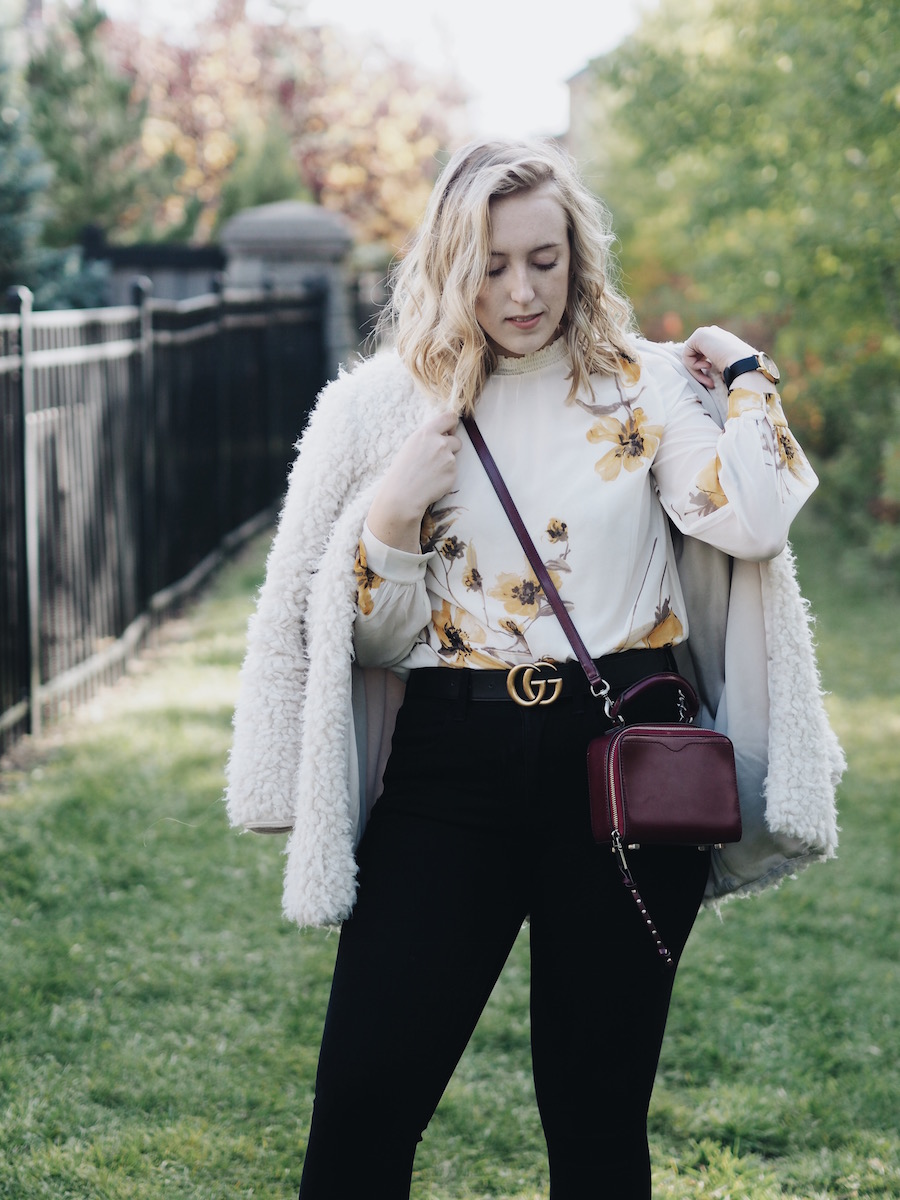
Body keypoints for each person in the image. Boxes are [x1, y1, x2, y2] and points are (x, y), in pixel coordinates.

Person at [225, 139, 843, 1199]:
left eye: (545, 260)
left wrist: (743, 373)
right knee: (366, 1102)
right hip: (449, 766)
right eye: (494, 263)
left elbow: (752, 515)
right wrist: (391, 515)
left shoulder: (643, 387)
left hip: (619, 769)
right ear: (450, 263)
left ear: (578, 256)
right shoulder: (386, 408)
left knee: (598, 1115)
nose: (522, 290)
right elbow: (362, 642)